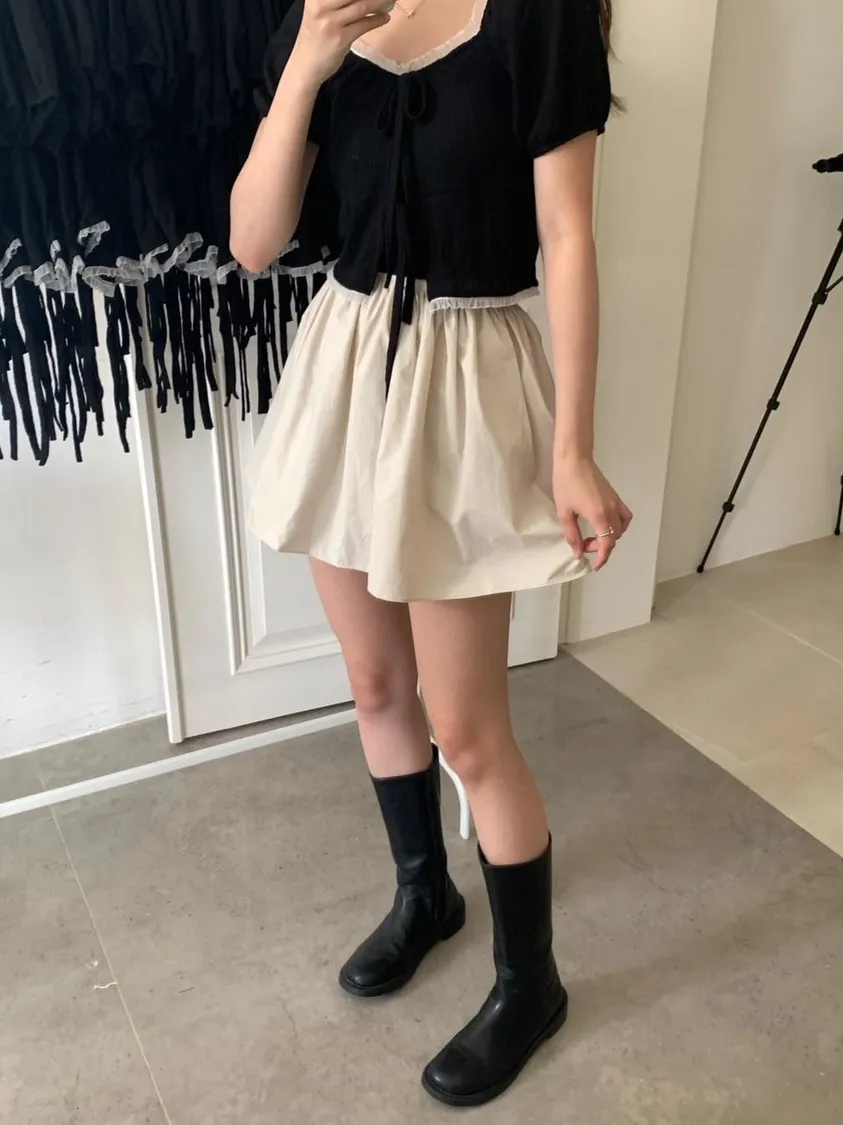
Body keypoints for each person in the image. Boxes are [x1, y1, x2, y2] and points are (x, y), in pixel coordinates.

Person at [231, 0, 631, 1107]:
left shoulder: (539, 15)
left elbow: (568, 238)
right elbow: (254, 242)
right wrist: (308, 64)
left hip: (464, 383)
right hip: (343, 369)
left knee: (467, 725)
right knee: (374, 683)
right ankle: (425, 894)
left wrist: (572, 449)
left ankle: (530, 984)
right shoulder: (323, 17)